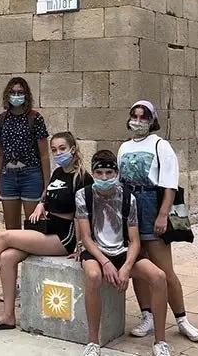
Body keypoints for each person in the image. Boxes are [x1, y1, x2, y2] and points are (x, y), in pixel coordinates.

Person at [0, 132, 88, 330]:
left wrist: (81, 246)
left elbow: (84, 216)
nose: (58, 153)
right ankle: (8, 316)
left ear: (73, 149)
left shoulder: (82, 178)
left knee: (4, 236)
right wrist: (41, 204)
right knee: (7, 257)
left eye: (62, 149)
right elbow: (48, 195)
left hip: (64, 236)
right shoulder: (58, 173)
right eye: (54, 149)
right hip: (48, 228)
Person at [118, 100, 198, 343]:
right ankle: (147, 315)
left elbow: (169, 184)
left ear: (151, 120)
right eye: (134, 116)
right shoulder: (123, 148)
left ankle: (182, 319)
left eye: (143, 117)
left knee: (165, 270)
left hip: (150, 204)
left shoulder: (160, 146)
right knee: (138, 265)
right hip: (130, 206)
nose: (137, 121)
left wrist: (163, 214)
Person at [76, 150, 172, 356]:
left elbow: (135, 240)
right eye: (99, 172)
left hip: (121, 250)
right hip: (95, 250)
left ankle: (160, 341)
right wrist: (106, 263)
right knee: (93, 276)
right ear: (93, 173)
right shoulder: (83, 195)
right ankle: (93, 341)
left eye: (108, 173)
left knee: (159, 277)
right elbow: (86, 237)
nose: (104, 177)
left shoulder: (128, 197)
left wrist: (127, 266)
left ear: (116, 173)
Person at [0, 77, 52, 230]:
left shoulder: (35, 118)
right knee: (12, 229)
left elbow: (44, 155)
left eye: (20, 92)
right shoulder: (1, 119)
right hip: (9, 175)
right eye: (13, 92)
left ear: (26, 95)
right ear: (7, 95)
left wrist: (47, 185)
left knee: (34, 226)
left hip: (31, 174)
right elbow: (0, 154)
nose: (16, 96)